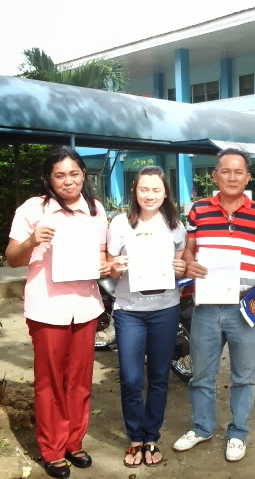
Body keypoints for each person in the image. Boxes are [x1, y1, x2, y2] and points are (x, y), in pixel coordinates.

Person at [5, 147, 111, 479]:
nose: (68, 181)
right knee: (49, 382)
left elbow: (101, 257)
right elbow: (12, 258)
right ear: (49, 179)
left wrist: (109, 266)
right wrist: (31, 241)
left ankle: (73, 442)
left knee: (79, 381)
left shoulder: (95, 209)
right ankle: (51, 450)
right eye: (60, 175)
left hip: (85, 307)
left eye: (74, 173)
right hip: (47, 308)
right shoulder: (33, 209)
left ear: (83, 174)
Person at [173, 148, 255, 462]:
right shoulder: (198, 211)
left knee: (243, 376)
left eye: (239, 172)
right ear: (214, 176)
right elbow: (189, 250)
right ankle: (202, 427)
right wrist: (189, 263)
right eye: (226, 171)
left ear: (247, 177)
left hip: (245, 306)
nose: (232, 177)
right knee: (201, 375)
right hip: (206, 305)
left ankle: (237, 433)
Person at [106, 166, 187, 468]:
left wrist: (180, 268)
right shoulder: (120, 223)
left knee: (158, 376)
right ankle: (135, 437)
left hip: (165, 309)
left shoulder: (175, 225)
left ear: (165, 193)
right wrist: (116, 267)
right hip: (129, 312)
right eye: (144, 189)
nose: (149, 195)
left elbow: (180, 264)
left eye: (156, 190)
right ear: (135, 192)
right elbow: (110, 269)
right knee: (130, 378)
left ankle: (151, 436)